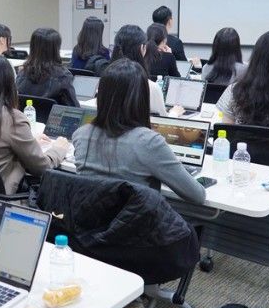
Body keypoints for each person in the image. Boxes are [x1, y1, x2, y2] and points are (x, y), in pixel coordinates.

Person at [73, 59, 206, 204]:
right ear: (141, 98)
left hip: (91, 216)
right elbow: (197, 195)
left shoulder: (81, 134)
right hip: (136, 218)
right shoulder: (149, 142)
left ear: (101, 96)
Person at [0, 54, 69, 194]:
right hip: (1, 200)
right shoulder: (13, 119)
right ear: (9, 83)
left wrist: (31, 142)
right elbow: (42, 167)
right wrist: (58, 150)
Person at [112, 25, 181, 117]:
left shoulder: (105, 80)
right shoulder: (149, 87)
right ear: (142, 48)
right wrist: (174, 113)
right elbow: (163, 120)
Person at [16, 28, 79, 107]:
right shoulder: (63, 76)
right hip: (52, 115)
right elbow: (74, 108)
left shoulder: (22, 73)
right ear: (56, 48)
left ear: (32, 47)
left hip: (27, 114)